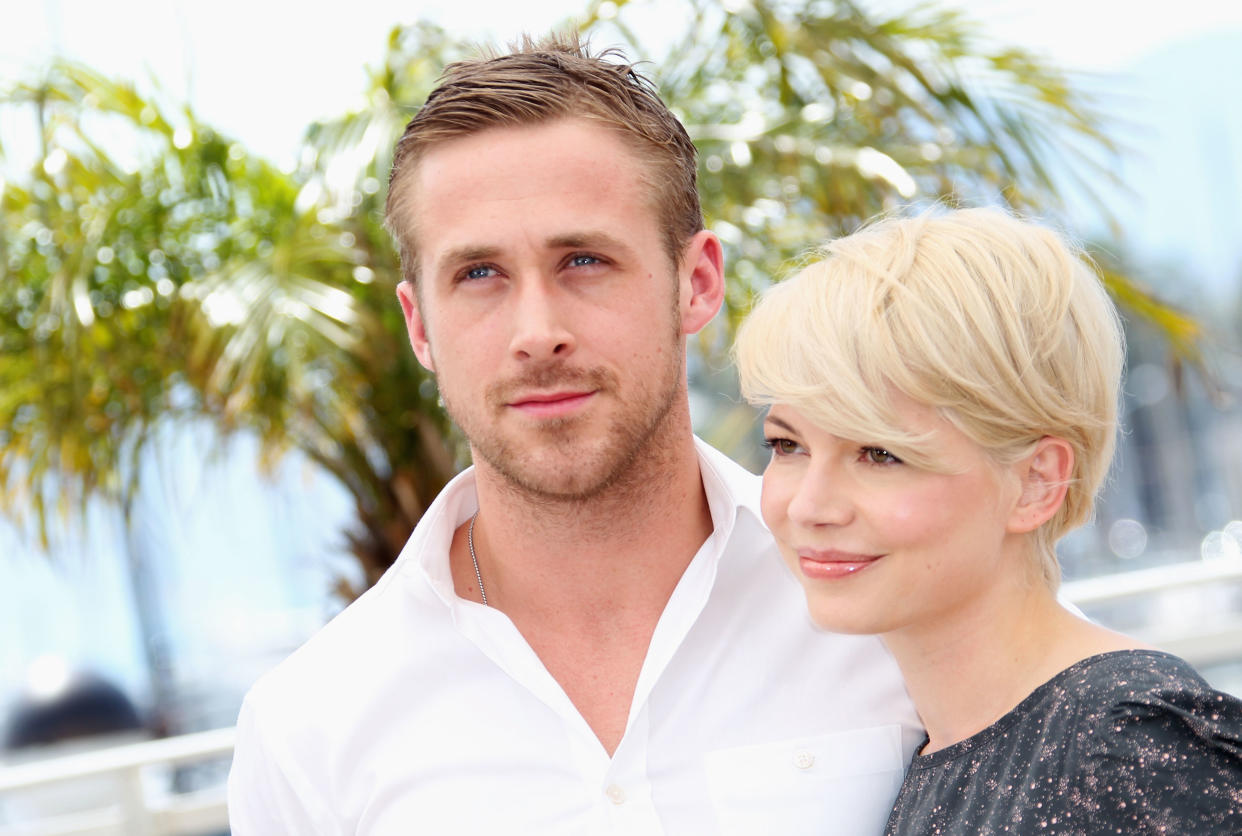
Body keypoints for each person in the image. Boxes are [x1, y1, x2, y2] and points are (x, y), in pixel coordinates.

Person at [227, 33, 921, 834]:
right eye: (478, 274)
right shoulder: (308, 729)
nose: (537, 332)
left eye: (584, 260)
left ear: (696, 284)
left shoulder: (888, 610)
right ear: (420, 327)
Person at [735, 207, 1242, 834]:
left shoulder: (1128, 748)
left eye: (880, 454)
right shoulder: (938, 751)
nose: (810, 506)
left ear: (1037, 482)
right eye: (787, 446)